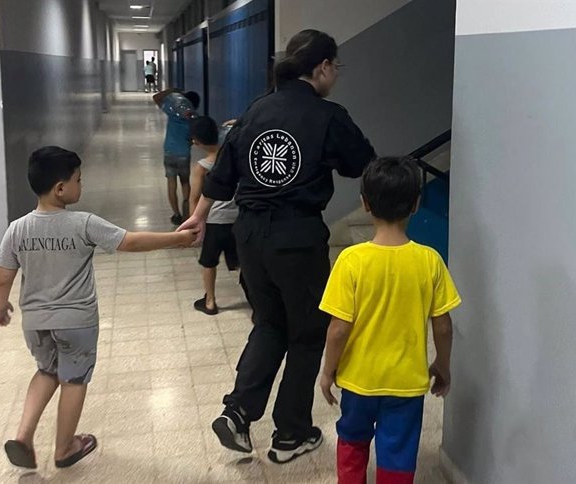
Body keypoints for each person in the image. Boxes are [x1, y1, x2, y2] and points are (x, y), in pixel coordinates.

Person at [179, 29, 376, 464]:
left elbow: (224, 172)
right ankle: (291, 433)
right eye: (335, 68)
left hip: (249, 236)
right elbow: (362, 162)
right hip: (296, 236)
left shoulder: (257, 108)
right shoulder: (327, 115)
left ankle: (238, 412)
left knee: (269, 323)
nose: (335, 76)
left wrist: (200, 213)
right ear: (323, 67)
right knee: (307, 332)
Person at [0, 146, 196, 470]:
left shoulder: (17, 228)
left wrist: (0, 307)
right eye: (78, 180)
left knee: (46, 372)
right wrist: (177, 239)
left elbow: (3, 277)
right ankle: (64, 448)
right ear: (61, 188)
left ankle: (23, 436)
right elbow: (130, 242)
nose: (81, 185)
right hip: (76, 322)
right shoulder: (82, 223)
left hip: (35, 322)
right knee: (73, 379)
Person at [318, 156, 461, 484]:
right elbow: (443, 324)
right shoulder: (430, 260)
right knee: (398, 451)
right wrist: (442, 363)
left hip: (357, 381)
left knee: (352, 441)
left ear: (365, 203)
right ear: (416, 203)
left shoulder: (351, 261)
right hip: (406, 384)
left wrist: (328, 371)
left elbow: (338, 329)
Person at [188, 116, 239, 315]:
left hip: (214, 222)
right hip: (237, 219)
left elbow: (194, 198)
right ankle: (256, 302)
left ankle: (210, 302)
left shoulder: (201, 167)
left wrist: (194, 228)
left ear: (197, 142)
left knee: (208, 262)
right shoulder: (232, 156)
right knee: (241, 263)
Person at [152, 88, 201, 225]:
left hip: (169, 152)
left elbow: (156, 97)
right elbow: (195, 139)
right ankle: (187, 212)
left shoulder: (172, 112)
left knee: (171, 183)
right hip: (183, 154)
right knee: (185, 183)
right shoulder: (193, 119)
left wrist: (172, 90)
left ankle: (176, 214)